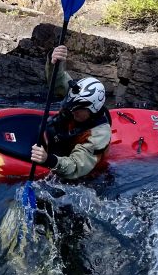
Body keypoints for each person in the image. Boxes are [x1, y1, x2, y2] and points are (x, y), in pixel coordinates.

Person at [30, 45, 111, 180]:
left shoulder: (98, 135)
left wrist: (49, 160)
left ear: (93, 108)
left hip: (71, 163)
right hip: (55, 140)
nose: (73, 112)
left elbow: (76, 165)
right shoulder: (76, 93)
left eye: (78, 109)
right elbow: (58, 80)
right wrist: (55, 60)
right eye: (72, 107)